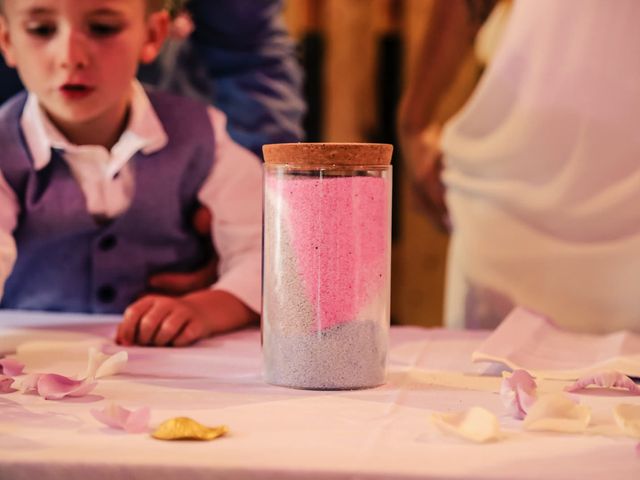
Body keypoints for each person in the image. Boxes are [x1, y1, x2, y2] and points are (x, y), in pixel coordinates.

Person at [0, 0, 263, 346]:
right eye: (41, 30)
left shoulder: (202, 135)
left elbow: (271, 251)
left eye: (103, 28)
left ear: (153, 35)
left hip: (176, 368)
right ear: (7, 41)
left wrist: (206, 309)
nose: (70, 57)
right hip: (38, 353)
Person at [399, 0, 640, 333]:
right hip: (515, 198)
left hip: (623, 219)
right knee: (483, 377)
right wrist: (414, 122)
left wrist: (414, 122)